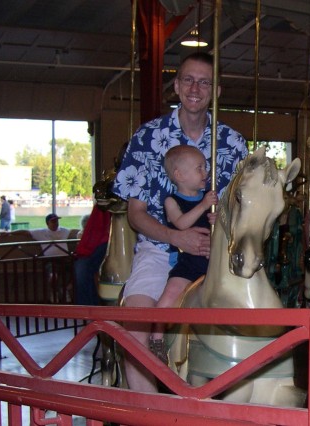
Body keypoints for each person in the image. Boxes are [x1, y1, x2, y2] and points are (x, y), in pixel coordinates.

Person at [111, 51, 248, 392]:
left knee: (252, 323)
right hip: (160, 251)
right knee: (135, 328)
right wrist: (176, 238)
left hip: (216, 253)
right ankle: (148, 410)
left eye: (205, 82)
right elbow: (136, 213)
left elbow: (243, 208)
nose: (195, 88)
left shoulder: (232, 143)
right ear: (176, 86)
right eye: (188, 79)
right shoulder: (147, 138)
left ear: (216, 91)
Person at [149, 145, 218, 363]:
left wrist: (218, 219)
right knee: (169, 294)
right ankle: (157, 337)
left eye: (205, 167)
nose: (205, 173)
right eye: (199, 168)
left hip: (211, 262)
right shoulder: (172, 201)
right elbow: (180, 223)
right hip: (188, 264)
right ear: (179, 175)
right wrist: (204, 206)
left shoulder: (209, 200)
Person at [74, 207, 111, 306]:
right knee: (83, 268)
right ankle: (88, 307)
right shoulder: (101, 209)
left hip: (107, 238)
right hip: (101, 239)